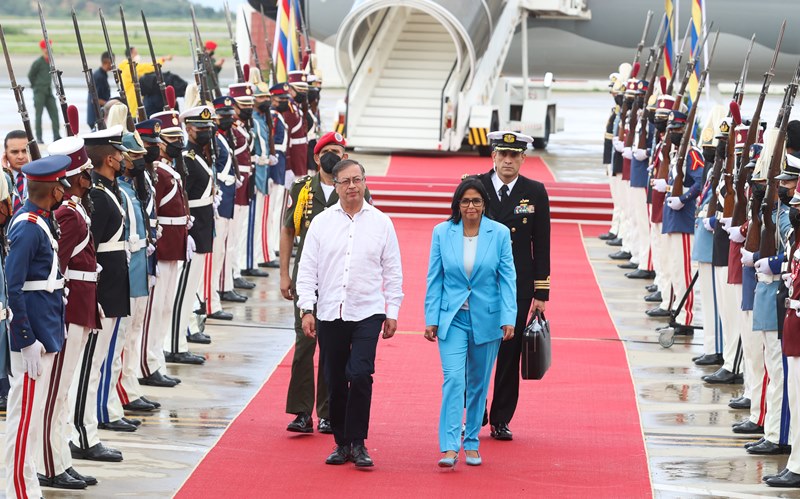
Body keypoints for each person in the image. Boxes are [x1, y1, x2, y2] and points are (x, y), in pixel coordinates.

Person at [296, 159, 403, 467]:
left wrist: (392, 310)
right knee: (334, 378)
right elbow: (307, 269)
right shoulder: (322, 223)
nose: (352, 186)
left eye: (357, 180)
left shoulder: (381, 223)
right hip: (331, 311)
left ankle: (358, 442)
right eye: (346, 181)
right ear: (336, 186)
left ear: (365, 182)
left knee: (360, 374)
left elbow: (392, 270)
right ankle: (342, 443)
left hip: (368, 311)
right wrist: (307, 308)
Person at [424, 177, 516, 468]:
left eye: (476, 201)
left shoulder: (499, 233)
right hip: (452, 318)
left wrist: (508, 317)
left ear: (484, 204)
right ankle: (450, 447)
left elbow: (508, 278)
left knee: (478, 384)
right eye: (465, 201)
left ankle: (472, 442)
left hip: (487, 320)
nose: (471, 206)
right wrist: (431, 318)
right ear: (457, 204)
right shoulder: (442, 232)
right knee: (453, 380)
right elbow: (434, 278)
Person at [280, 132, 360, 435]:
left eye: (338, 152)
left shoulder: (354, 188)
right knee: (304, 343)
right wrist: (284, 273)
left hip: (339, 277)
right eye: (327, 152)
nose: (332, 157)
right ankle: (302, 412)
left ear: (345, 157)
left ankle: (328, 412)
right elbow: (288, 230)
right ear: (316, 157)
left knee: (332, 346)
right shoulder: (302, 189)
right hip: (307, 274)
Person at [478, 131, 550, 441]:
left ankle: (501, 418)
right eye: (503, 154)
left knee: (509, 353)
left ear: (523, 158)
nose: (508, 160)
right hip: (478, 284)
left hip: (516, 286)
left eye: (514, 155)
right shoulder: (475, 186)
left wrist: (541, 292)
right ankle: (475, 410)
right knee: (477, 351)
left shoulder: (534, 191)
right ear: (493, 156)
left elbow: (541, 243)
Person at [4, 154, 70, 498]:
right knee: (23, 418)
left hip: (46, 327)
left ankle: (26, 485)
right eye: (61, 187)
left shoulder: (42, 220)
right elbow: (12, 286)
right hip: (33, 335)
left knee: (32, 415)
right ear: (53, 190)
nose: (64, 192)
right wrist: (26, 338)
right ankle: (17, 489)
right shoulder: (28, 226)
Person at [70, 125, 129, 460]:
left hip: (110, 289)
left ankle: (86, 431)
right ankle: (82, 436)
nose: (123, 158)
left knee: (95, 365)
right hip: (102, 292)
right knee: (88, 369)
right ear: (108, 158)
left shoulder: (107, 193)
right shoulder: (100, 199)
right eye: (119, 153)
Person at [140, 109, 189, 385]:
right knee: (155, 310)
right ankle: (147, 364)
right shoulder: (157, 172)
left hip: (174, 244)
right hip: (162, 246)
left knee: (165, 308)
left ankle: (155, 359)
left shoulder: (166, 171)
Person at [28, 39, 61, 143]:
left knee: (54, 113)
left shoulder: (50, 62)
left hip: (49, 91)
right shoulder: (38, 62)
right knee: (39, 115)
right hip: (39, 92)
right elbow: (30, 75)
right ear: (42, 49)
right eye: (46, 47)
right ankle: (39, 137)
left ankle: (56, 136)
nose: (48, 49)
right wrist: (36, 86)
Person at [86, 52, 112, 129]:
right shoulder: (99, 77)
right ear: (107, 62)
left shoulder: (101, 75)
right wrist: (110, 104)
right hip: (96, 118)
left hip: (98, 117)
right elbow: (94, 99)